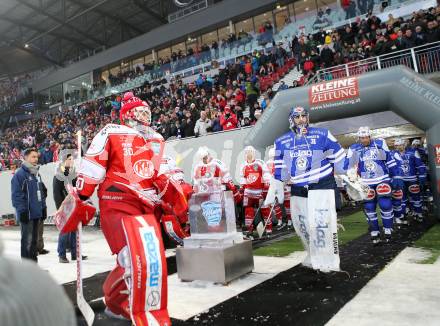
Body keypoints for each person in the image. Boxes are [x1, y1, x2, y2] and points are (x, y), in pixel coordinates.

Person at [64, 92, 188, 325]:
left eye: (147, 112)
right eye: (140, 112)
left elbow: (163, 172)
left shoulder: (157, 139)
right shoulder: (111, 131)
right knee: (131, 256)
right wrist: (82, 194)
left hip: (147, 208)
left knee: (150, 259)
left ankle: (125, 303)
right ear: (127, 114)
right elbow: (94, 162)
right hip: (117, 199)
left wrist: (175, 197)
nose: (145, 116)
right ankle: (119, 306)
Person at [264, 106, 346, 271]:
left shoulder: (322, 134)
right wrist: (277, 184)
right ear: (291, 120)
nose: (301, 119)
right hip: (298, 187)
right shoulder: (281, 141)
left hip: (322, 184)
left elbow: (339, 157)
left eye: (304, 116)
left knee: (321, 224)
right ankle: (312, 254)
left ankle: (328, 260)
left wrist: (347, 176)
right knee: (302, 225)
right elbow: (280, 170)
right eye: (297, 117)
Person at [346, 127, 403, 244]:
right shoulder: (354, 148)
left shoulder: (380, 143)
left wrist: (396, 175)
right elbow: (349, 167)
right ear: (359, 138)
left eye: (366, 137)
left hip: (382, 179)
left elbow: (389, 160)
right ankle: (374, 231)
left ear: (369, 136)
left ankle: (388, 229)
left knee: (385, 204)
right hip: (365, 182)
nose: (364, 140)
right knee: (369, 207)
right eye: (361, 138)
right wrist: (349, 181)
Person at [11, 148, 48, 261]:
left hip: (36, 213)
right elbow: (17, 195)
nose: (36, 159)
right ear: (25, 158)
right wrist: (22, 211)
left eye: (37, 157)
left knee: (34, 241)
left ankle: (33, 266)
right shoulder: (20, 175)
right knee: (27, 241)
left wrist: (43, 208)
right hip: (27, 214)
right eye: (33, 156)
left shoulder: (37, 174)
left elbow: (41, 193)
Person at [53, 153, 87, 263]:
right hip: (65, 208)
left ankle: (75, 253)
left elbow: (76, 189)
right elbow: (56, 194)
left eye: (72, 159)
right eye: (69, 159)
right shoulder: (58, 175)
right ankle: (61, 254)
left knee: (75, 230)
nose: (72, 161)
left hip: (74, 206)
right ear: (64, 161)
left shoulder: (72, 174)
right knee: (65, 231)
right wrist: (61, 208)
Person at [239, 146, 272, 235]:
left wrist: (266, 189)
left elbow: (266, 176)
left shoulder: (260, 163)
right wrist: (242, 189)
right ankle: (249, 229)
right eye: (247, 152)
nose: (248, 154)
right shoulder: (243, 165)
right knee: (248, 211)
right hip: (248, 192)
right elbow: (242, 178)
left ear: (253, 153)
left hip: (259, 192)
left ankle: (268, 228)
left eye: (250, 152)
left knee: (265, 209)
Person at [395, 138, 427, 222]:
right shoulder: (393, 154)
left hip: (412, 179)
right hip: (400, 180)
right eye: (397, 146)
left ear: (404, 145)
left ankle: (419, 213)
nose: (398, 147)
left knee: (416, 196)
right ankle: (404, 213)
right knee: (402, 198)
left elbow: (420, 165)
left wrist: (422, 175)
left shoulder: (413, 152)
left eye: (400, 145)